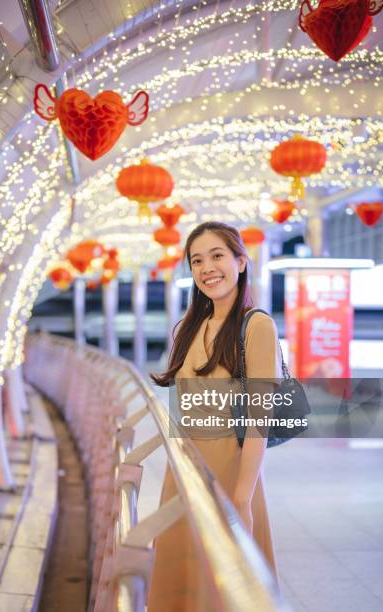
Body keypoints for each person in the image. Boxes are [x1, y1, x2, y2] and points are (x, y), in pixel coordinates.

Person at [148, 221, 282, 611]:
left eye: (218, 256)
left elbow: (260, 417)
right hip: (185, 474)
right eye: (197, 260)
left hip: (231, 476)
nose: (207, 268)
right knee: (182, 582)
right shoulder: (190, 327)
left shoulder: (256, 326)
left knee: (229, 585)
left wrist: (242, 496)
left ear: (241, 262)